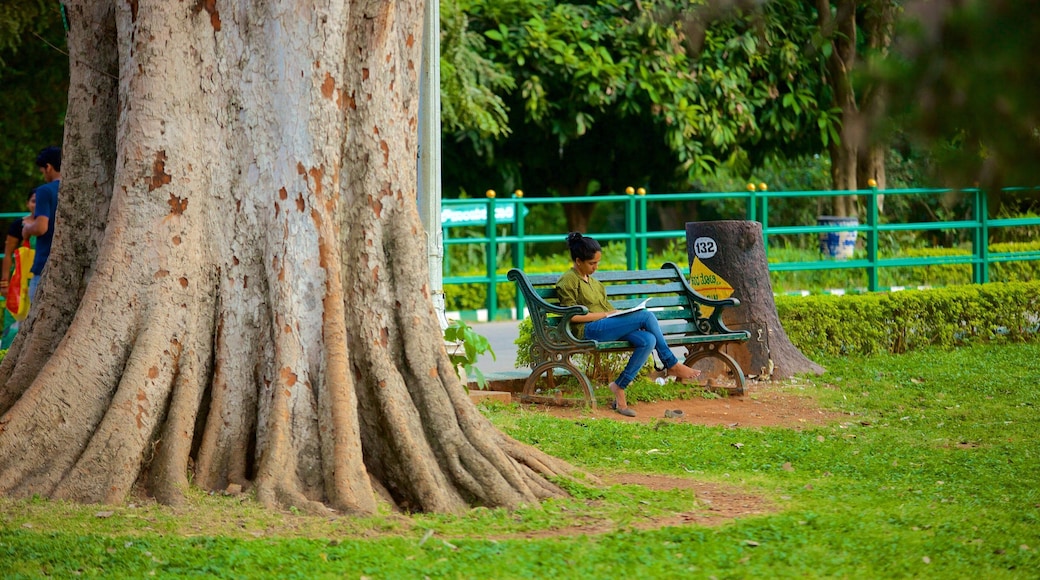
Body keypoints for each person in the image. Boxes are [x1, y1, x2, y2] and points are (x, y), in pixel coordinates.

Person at [556, 232, 700, 417]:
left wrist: (620, 316)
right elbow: (571, 317)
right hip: (588, 330)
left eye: (597, 263)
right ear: (578, 261)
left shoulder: (595, 283)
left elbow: (609, 311)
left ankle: (619, 386)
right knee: (646, 316)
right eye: (592, 263)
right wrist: (606, 314)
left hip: (606, 326)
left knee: (647, 340)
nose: (596, 267)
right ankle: (671, 363)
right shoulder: (568, 280)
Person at [21, 146, 61, 302]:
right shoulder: (76, 188)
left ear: (48, 167)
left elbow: (41, 226)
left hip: (45, 262)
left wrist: (27, 228)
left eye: (42, 171)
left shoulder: (45, 191)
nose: (44, 175)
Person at [1, 189, 36, 297]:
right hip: (21, 276)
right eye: (34, 201)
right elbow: (8, 254)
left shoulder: (54, 224)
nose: (37, 205)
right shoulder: (18, 225)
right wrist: (4, 283)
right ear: (27, 204)